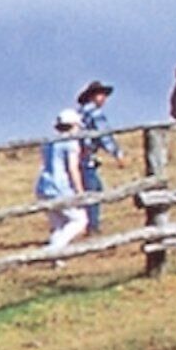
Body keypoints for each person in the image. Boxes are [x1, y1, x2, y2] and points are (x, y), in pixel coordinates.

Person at [37, 108, 94, 253]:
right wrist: (79, 190)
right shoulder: (70, 143)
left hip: (43, 186)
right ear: (73, 125)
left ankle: (57, 258)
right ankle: (52, 250)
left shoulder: (48, 142)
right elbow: (72, 168)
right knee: (80, 220)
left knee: (59, 225)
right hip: (60, 187)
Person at [73, 79, 122, 230]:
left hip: (78, 158)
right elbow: (104, 135)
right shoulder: (94, 112)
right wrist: (117, 153)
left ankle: (88, 223)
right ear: (92, 96)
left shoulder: (79, 112)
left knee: (92, 190)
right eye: (101, 95)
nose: (104, 98)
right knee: (93, 192)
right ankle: (92, 226)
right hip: (86, 159)